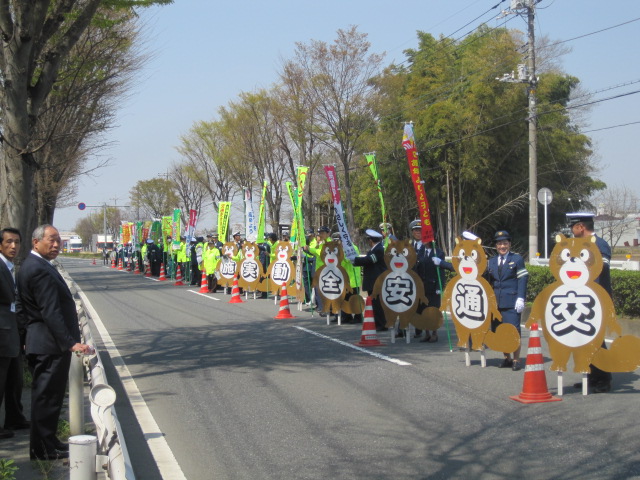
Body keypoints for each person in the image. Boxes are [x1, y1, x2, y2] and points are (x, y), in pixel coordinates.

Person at [16, 225, 92, 460]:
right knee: (46, 398)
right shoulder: (38, 268)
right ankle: (42, 450)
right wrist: (70, 343)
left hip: (44, 342)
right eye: (52, 240)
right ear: (36, 242)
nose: (57, 245)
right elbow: (51, 312)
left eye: (59, 240)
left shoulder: (36, 265)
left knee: (49, 397)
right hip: (48, 344)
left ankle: (48, 442)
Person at [567, 212, 613, 393]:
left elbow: (600, 272)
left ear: (580, 227)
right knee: (585, 339)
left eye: (573, 227)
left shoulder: (600, 245)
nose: (571, 230)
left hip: (596, 299)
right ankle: (593, 376)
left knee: (596, 339)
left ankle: (604, 378)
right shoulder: (578, 246)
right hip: (581, 299)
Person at [0, 228, 29, 439]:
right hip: (2, 333)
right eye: (9, 242)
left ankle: (15, 417)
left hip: (12, 332)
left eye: (17, 242)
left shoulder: (9, 267)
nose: (14, 246)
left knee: (14, 380)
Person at [486, 230, 529, 371]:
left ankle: (516, 359)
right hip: (496, 304)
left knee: (513, 331)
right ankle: (507, 358)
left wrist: (521, 298)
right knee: (500, 331)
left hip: (511, 302)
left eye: (505, 243)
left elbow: (523, 279)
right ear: (496, 246)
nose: (502, 246)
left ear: (509, 244)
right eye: (499, 244)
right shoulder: (491, 262)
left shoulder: (517, 259)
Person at [409, 220, 454, 342]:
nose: (425, 241)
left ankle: (434, 332)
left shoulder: (438, 252)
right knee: (424, 310)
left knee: (433, 310)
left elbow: (441, 272)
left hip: (434, 286)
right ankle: (427, 333)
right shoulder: (420, 252)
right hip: (422, 286)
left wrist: (440, 286)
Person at [352, 229, 387, 331]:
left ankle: (381, 324)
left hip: (376, 281)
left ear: (371, 240)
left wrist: (355, 260)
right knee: (374, 304)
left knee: (378, 304)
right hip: (373, 281)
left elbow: (370, 260)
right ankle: (377, 323)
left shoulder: (379, 249)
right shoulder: (374, 249)